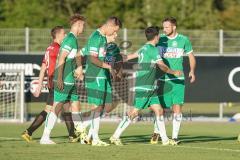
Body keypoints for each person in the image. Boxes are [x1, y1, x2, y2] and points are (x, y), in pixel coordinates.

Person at [110, 26, 182, 146]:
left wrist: (118, 56)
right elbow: (162, 65)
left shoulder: (144, 48)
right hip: (144, 86)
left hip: (150, 88)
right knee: (134, 113)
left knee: (159, 111)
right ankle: (115, 136)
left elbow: (129, 56)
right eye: (158, 35)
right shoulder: (153, 50)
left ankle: (164, 140)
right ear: (156, 36)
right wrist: (174, 72)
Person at [21, 26, 76, 143]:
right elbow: (61, 64)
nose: (65, 36)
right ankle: (29, 131)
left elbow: (43, 67)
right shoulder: (58, 48)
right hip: (57, 81)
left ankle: (73, 134)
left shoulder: (49, 48)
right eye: (63, 34)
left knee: (66, 107)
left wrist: (40, 84)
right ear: (57, 35)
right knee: (49, 109)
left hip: (52, 81)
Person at [39, 14, 85, 144]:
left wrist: (79, 68)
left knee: (76, 106)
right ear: (78, 25)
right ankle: (45, 137)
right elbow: (61, 58)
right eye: (83, 26)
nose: (84, 28)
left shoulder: (73, 39)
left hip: (70, 80)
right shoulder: (70, 39)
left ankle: (82, 136)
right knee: (56, 108)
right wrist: (59, 77)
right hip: (64, 80)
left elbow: (75, 55)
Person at [150, 17, 196, 145]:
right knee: (161, 108)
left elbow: (191, 56)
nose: (164, 30)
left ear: (174, 27)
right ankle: (156, 131)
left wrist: (192, 71)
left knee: (177, 107)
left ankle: (174, 137)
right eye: (163, 27)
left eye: (167, 27)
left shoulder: (183, 40)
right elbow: (149, 51)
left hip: (178, 79)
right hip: (163, 79)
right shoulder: (160, 40)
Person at [83, 16, 122, 146]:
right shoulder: (95, 37)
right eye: (114, 31)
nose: (115, 34)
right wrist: (108, 66)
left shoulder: (103, 39)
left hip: (102, 75)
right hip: (96, 76)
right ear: (109, 26)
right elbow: (93, 59)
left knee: (107, 105)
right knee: (97, 107)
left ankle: (86, 133)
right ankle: (94, 138)